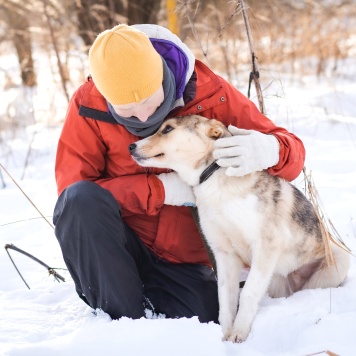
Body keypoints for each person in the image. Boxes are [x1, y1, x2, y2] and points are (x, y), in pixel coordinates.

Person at [53, 24, 305, 323]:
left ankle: (153, 305)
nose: (144, 116)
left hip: (182, 260)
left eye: (150, 101)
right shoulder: (88, 105)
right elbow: (74, 195)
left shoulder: (211, 93)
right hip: (120, 249)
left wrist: (271, 149)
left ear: (162, 75)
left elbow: (293, 157)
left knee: (202, 316)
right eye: (127, 111)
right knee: (79, 200)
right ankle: (123, 327)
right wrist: (161, 190)